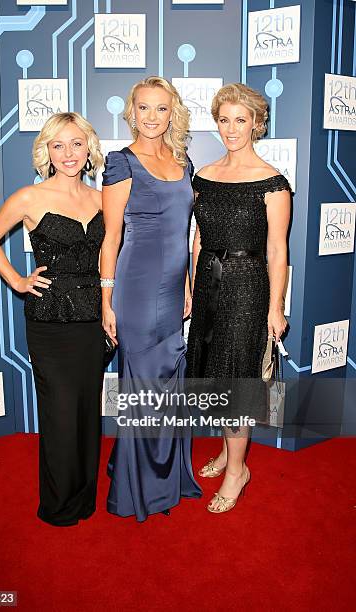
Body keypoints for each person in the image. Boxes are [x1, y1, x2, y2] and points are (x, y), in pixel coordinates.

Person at [0, 112, 105, 526]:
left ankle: (85, 495)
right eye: (58, 145)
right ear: (47, 152)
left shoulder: (102, 198)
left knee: (87, 410)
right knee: (60, 411)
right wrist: (16, 280)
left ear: (89, 149)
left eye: (76, 143)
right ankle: (59, 504)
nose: (68, 153)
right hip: (50, 321)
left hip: (93, 320)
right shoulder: (30, 197)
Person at [186, 83, 291, 513]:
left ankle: (237, 472)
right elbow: (197, 240)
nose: (231, 129)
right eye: (224, 119)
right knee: (213, 376)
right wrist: (191, 289)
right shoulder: (203, 176)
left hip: (247, 288)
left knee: (236, 380)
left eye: (240, 120)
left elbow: (278, 251)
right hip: (209, 284)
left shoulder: (272, 182)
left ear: (257, 124)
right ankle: (230, 455)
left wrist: (275, 308)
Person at [101, 76, 202, 521]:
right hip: (137, 288)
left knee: (169, 379)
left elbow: (184, 232)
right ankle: (137, 489)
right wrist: (108, 300)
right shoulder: (121, 163)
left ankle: (167, 475)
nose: (152, 117)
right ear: (132, 112)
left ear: (172, 113)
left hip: (173, 285)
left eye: (161, 109)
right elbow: (110, 238)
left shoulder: (184, 163)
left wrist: (186, 285)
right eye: (144, 108)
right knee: (142, 384)